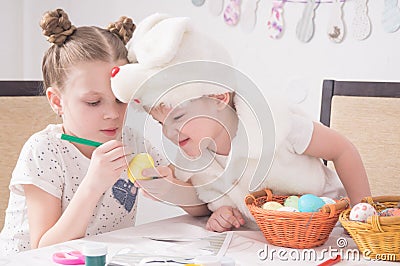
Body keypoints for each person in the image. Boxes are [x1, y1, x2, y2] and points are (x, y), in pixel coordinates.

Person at [110, 13, 371, 232]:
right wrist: (173, 191)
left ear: (218, 97)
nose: (169, 132)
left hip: (333, 230)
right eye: (160, 123)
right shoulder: (192, 160)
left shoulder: (277, 125)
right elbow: (201, 203)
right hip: (272, 245)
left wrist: (364, 216)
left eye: (178, 117)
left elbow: (342, 149)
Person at [0, 9, 200, 256]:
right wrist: (93, 185)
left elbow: (199, 206)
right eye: (94, 102)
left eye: (120, 99)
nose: (112, 114)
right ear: (57, 101)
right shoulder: (44, 150)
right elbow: (43, 248)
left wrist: (171, 188)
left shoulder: (133, 143)